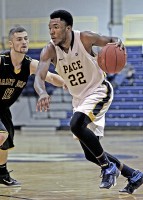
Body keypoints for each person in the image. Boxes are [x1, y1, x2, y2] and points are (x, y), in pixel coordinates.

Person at [34, 10, 143, 194]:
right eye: (49, 28)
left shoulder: (84, 38)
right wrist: (42, 92)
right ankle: (133, 175)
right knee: (90, 154)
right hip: (79, 99)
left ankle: (107, 168)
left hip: (99, 90)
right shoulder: (49, 50)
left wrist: (118, 42)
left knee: (75, 124)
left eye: (56, 27)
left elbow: (111, 39)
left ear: (68, 28)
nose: (51, 31)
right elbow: (39, 77)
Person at [0, 25, 66, 186]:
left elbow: (50, 77)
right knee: (1, 135)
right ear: (10, 43)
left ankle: (2, 174)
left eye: (26, 38)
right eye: (19, 39)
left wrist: (67, 83)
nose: (24, 42)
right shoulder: (2, 61)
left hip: (3, 108)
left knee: (5, 143)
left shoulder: (30, 64)